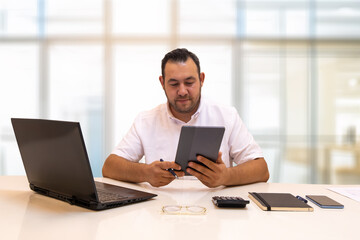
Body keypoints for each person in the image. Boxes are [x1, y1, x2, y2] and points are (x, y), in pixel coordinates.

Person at [102, 48, 269, 188]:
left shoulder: (227, 116)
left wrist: (226, 177)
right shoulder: (146, 120)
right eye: (174, 84)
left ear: (201, 79)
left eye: (189, 82)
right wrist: (145, 173)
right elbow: (109, 167)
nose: (182, 91)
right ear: (162, 83)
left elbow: (261, 170)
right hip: (160, 214)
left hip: (215, 214)